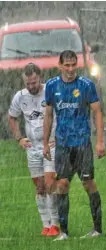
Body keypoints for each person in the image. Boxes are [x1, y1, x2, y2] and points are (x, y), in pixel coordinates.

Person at [43, 50, 106, 241]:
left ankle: (97, 229)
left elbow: (97, 112)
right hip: (62, 144)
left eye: (73, 65)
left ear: (77, 65)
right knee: (62, 185)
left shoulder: (86, 85)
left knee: (88, 183)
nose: (70, 69)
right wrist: (45, 142)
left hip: (82, 143)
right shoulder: (52, 86)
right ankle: (64, 232)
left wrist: (100, 141)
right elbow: (48, 115)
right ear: (60, 65)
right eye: (67, 65)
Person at [8, 63, 59, 237]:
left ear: (40, 78)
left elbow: (63, 115)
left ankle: (56, 224)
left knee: (50, 183)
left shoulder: (50, 92)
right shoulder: (20, 97)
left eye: (34, 83)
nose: (31, 87)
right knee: (39, 187)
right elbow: (12, 117)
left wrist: (58, 136)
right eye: (28, 83)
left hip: (51, 144)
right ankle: (46, 225)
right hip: (32, 147)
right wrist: (19, 138)